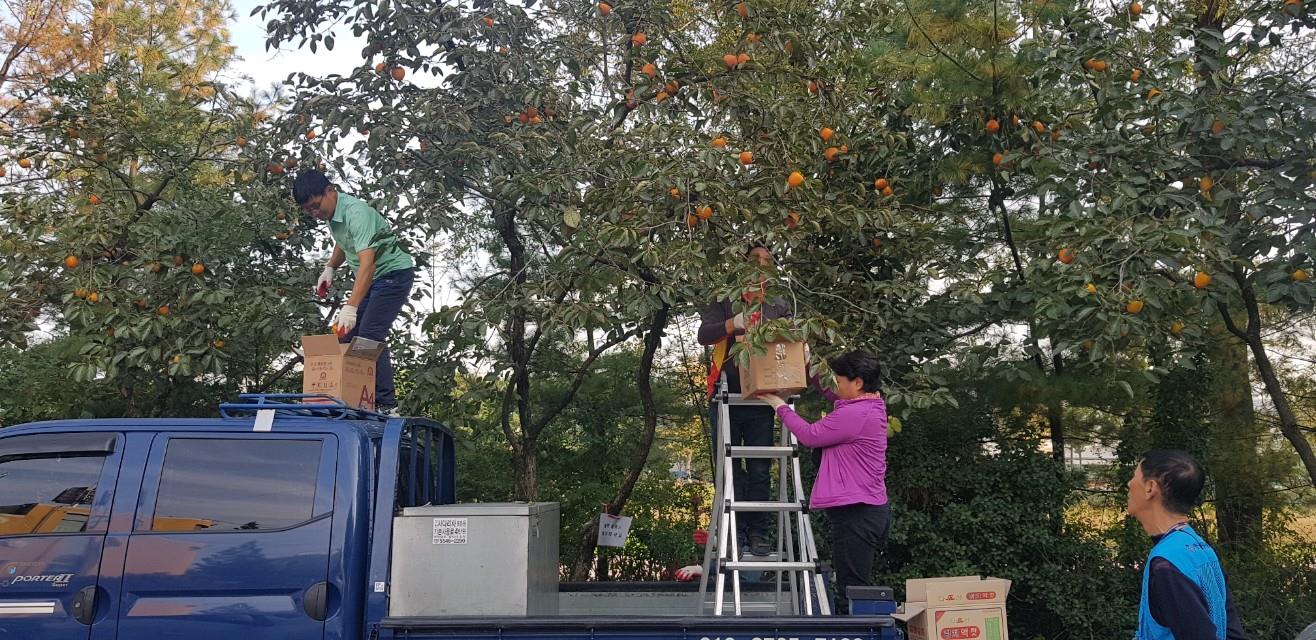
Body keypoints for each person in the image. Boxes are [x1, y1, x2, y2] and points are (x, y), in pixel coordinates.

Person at [755, 350, 889, 615]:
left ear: (858, 382)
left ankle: (859, 632)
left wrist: (777, 404)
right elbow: (831, 391)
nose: (835, 385)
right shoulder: (864, 405)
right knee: (850, 583)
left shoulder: (857, 414)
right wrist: (806, 363)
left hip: (859, 512)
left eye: (839, 379)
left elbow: (810, 435)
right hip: (858, 510)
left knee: (854, 587)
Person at [293, 169, 416, 414]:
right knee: (346, 338)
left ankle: (386, 405)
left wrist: (351, 307)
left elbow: (367, 264)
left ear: (330, 190)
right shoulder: (335, 215)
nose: (315, 213)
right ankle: (345, 397)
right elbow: (343, 240)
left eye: (317, 206)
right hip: (374, 278)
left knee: (369, 337)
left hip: (393, 274)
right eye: (309, 210)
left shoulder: (356, 212)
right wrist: (330, 267)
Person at [697, 243, 791, 556]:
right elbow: (704, 334)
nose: (761, 264)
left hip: (762, 398)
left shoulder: (778, 303)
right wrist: (733, 323)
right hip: (725, 396)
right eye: (755, 259)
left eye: (768, 260)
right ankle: (734, 531)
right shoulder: (725, 298)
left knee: (761, 469)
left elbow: (791, 345)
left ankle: (758, 533)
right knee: (730, 469)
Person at [1126, 450, 1248, 639]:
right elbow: (1232, 630)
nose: (1129, 484)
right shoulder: (1199, 547)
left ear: (1150, 487)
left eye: (1134, 477)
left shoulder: (1166, 564)